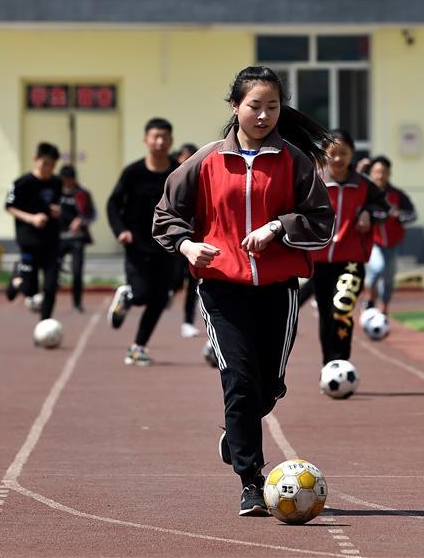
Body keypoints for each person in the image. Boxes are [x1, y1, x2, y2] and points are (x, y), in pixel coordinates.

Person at [153, 66, 333, 516]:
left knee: (267, 387)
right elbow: (165, 215)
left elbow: (322, 224)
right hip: (222, 288)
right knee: (239, 380)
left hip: (277, 288)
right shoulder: (208, 160)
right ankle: (251, 480)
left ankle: (237, 432)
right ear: (235, 107)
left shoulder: (294, 161)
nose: (264, 115)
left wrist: (277, 228)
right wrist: (188, 244)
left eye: (273, 106)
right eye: (255, 106)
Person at [298, 129, 388, 365]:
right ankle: (330, 365)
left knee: (343, 310)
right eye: (333, 153)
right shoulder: (313, 181)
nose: (338, 159)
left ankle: (342, 359)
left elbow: (383, 208)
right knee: (327, 315)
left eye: (344, 153)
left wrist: (369, 213)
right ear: (325, 154)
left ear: (352, 154)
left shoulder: (364, 185)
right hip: (320, 261)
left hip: (351, 260)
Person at [106, 118, 179, 365]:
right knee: (142, 293)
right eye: (155, 136)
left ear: (171, 141)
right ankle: (128, 296)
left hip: (167, 246)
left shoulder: (177, 173)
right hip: (136, 244)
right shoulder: (133, 173)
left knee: (160, 299)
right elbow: (113, 204)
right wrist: (120, 230)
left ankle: (138, 347)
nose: (159, 142)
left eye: (164, 137)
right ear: (146, 140)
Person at [4, 143, 62, 321]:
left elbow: (59, 205)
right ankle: (17, 279)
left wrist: (56, 211)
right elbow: (9, 207)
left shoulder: (56, 182)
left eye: (52, 165)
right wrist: (32, 218)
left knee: (51, 287)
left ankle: (43, 325)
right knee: (31, 289)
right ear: (36, 160)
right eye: (45, 163)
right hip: (29, 241)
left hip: (51, 242)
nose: (48, 168)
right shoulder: (22, 183)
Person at [364, 156, 416, 314]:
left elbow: (412, 214)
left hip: (392, 244)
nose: (380, 175)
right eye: (377, 172)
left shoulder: (397, 194)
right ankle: (369, 301)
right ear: (371, 173)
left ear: (389, 173)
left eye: (383, 172)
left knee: (389, 278)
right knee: (377, 268)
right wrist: (379, 216)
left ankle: (384, 308)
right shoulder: (365, 193)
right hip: (372, 242)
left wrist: (400, 216)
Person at [174, 143, 204, 339]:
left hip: (195, 242)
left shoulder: (201, 179)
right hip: (177, 242)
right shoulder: (171, 179)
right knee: (174, 279)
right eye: (185, 157)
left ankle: (187, 322)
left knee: (193, 283)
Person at [57, 165, 96, 313]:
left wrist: (81, 220)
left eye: (69, 180)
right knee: (52, 269)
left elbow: (92, 214)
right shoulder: (55, 191)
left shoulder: (82, 193)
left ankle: (77, 303)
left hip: (77, 238)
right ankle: (47, 298)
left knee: (77, 272)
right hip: (58, 238)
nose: (67, 183)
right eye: (64, 180)